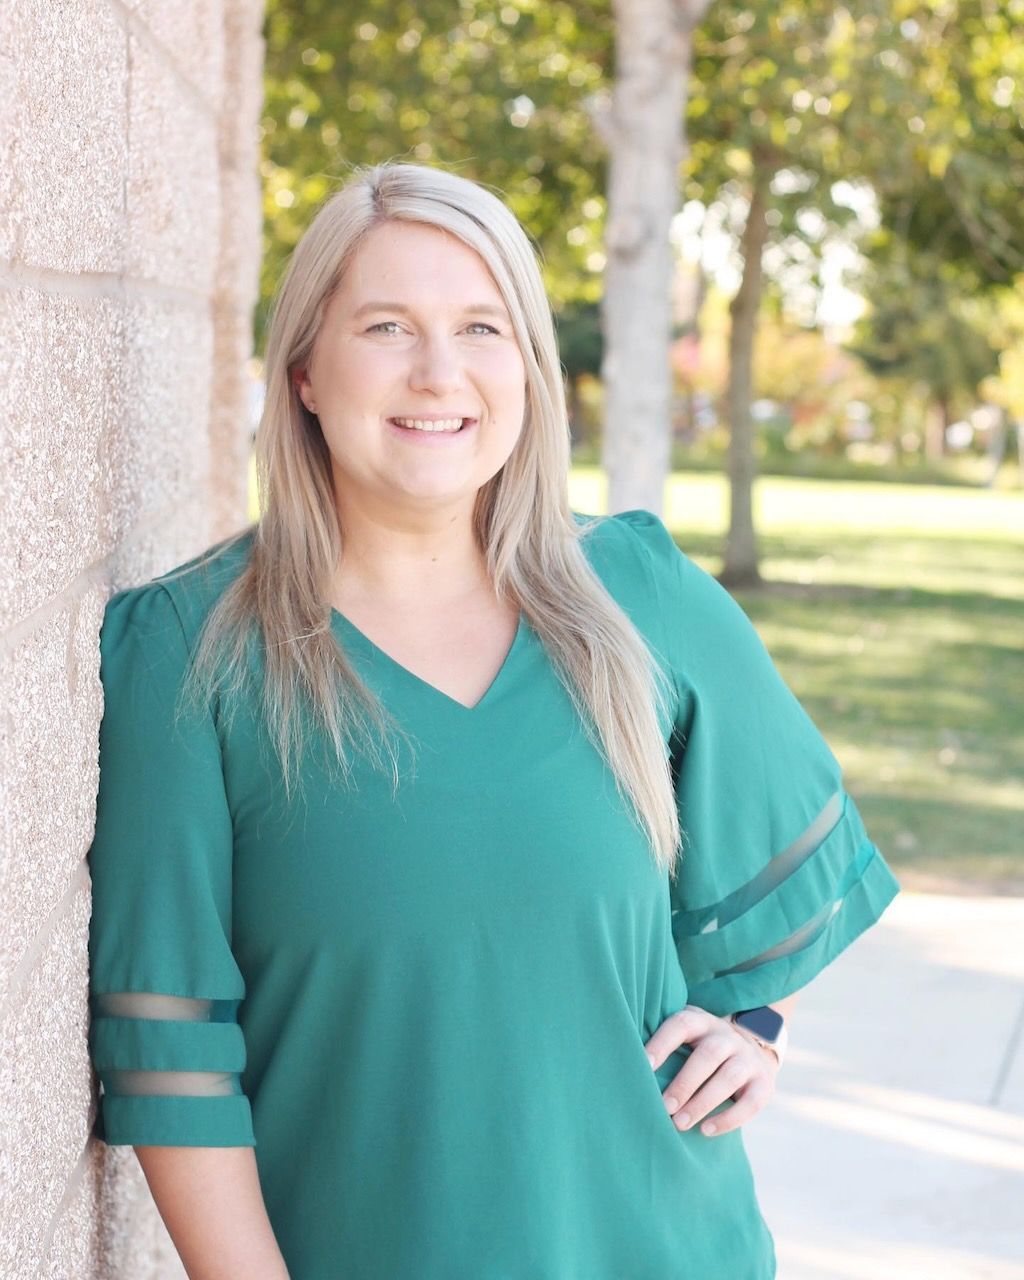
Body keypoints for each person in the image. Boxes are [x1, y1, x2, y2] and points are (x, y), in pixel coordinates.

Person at [86, 161, 901, 1280]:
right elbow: (172, 1054)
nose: (439, 371)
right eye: (387, 326)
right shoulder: (188, 652)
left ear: (526, 366)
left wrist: (756, 1023)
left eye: (482, 324)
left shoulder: (639, 596)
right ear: (307, 371)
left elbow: (792, 882)